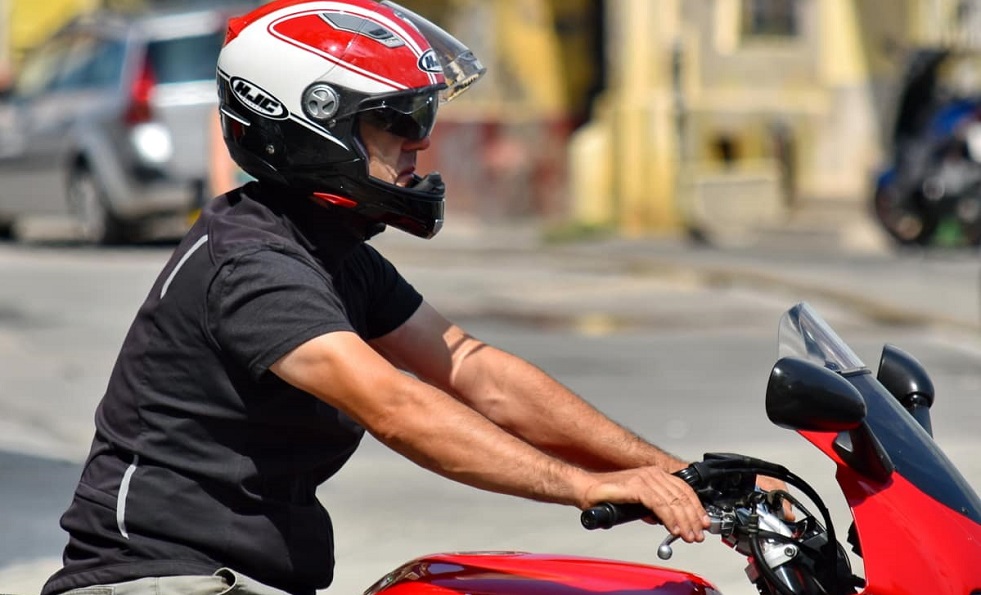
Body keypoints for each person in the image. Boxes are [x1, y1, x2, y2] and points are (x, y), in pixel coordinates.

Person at [41, 1, 718, 594]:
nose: (419, 140)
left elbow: (474, 368)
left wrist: (676, 471)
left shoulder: (330, 251)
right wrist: (584, 486)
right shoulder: (253, 263)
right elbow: (394, 405)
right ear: (312, 125)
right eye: (396, 117)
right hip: (160, 581)